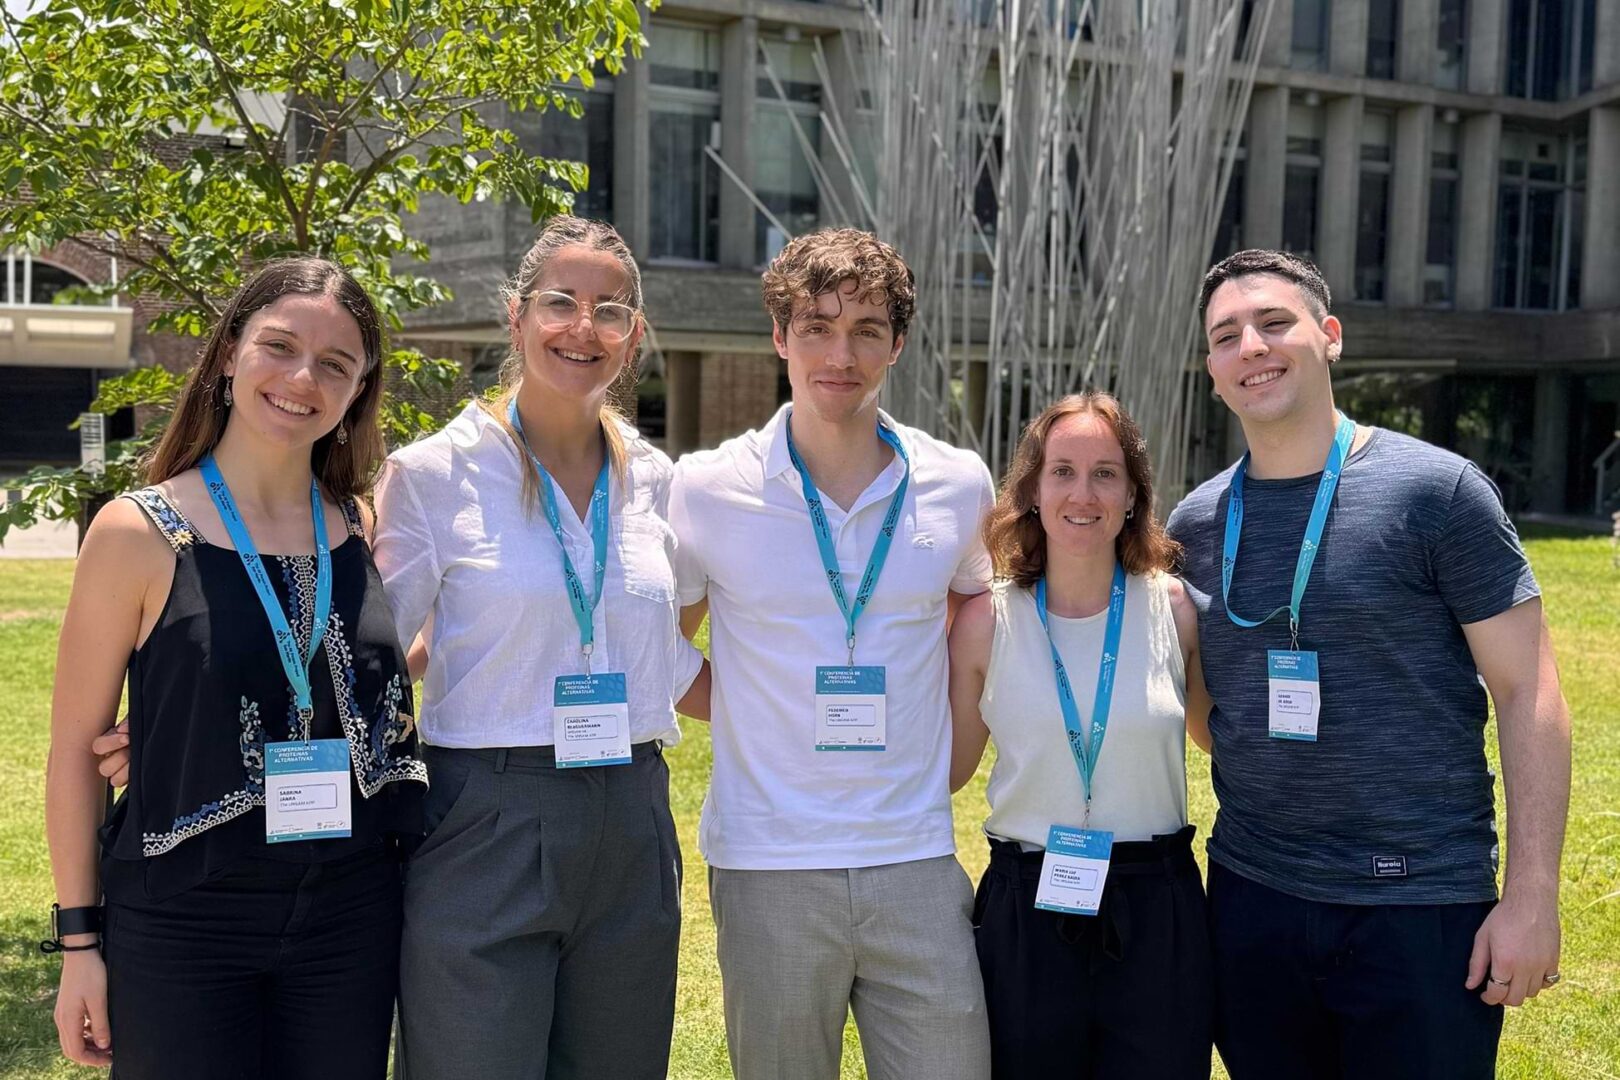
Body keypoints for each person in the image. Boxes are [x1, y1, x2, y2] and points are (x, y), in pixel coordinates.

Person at [1167, 249, 1571, 1079]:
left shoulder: (1438, 493)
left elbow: (1529, 691)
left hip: (1419, 906)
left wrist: (1531, 896)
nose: (1252, 346)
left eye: (1274, 323)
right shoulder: (1198, 523)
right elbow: (1216, 719)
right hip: (1253, 900)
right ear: (1210, 370)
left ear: (1331, 336)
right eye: (1226, 335)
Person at [44, 257, 428, 1078]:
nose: (302, 378)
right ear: (227, 355)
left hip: (351, 917)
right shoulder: (134, 531)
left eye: (335, 363)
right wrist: (79, 941)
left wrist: (196, 717)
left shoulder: (358, 526)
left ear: (358, 389)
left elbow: (358, 681)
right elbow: (73, 756)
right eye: (279, 346)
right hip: (185, 918)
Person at [370, 215, 709, 1080]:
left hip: (632, 816)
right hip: (488, 811)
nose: (582, 327)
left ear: (633, 336)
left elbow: (664, 649)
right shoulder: (433, 475)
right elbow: (368, 655)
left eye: (610, 310)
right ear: (515, 317)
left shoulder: (657, 482)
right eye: (560, 302)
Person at [667, 227, 993, 1080]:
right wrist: (745, 704)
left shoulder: (958, 482)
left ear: (898, 345)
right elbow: (662, 646)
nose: (839, 354)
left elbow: (976, 618)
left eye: (866, 330)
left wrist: (952, 747)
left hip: (916, 859)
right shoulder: (707, 486)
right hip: (769, 863)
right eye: (816, 326)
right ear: (779, 337)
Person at [949, 392, 1214, 1078]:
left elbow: (1222, 738)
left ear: (1133, 495)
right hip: (1028, 905)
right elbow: (944, 771)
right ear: (1032, 490)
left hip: (1156, 906)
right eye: (1062, 470)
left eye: (1105, 473)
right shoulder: (987, 621)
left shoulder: (1176, 610)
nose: (1083, 492)